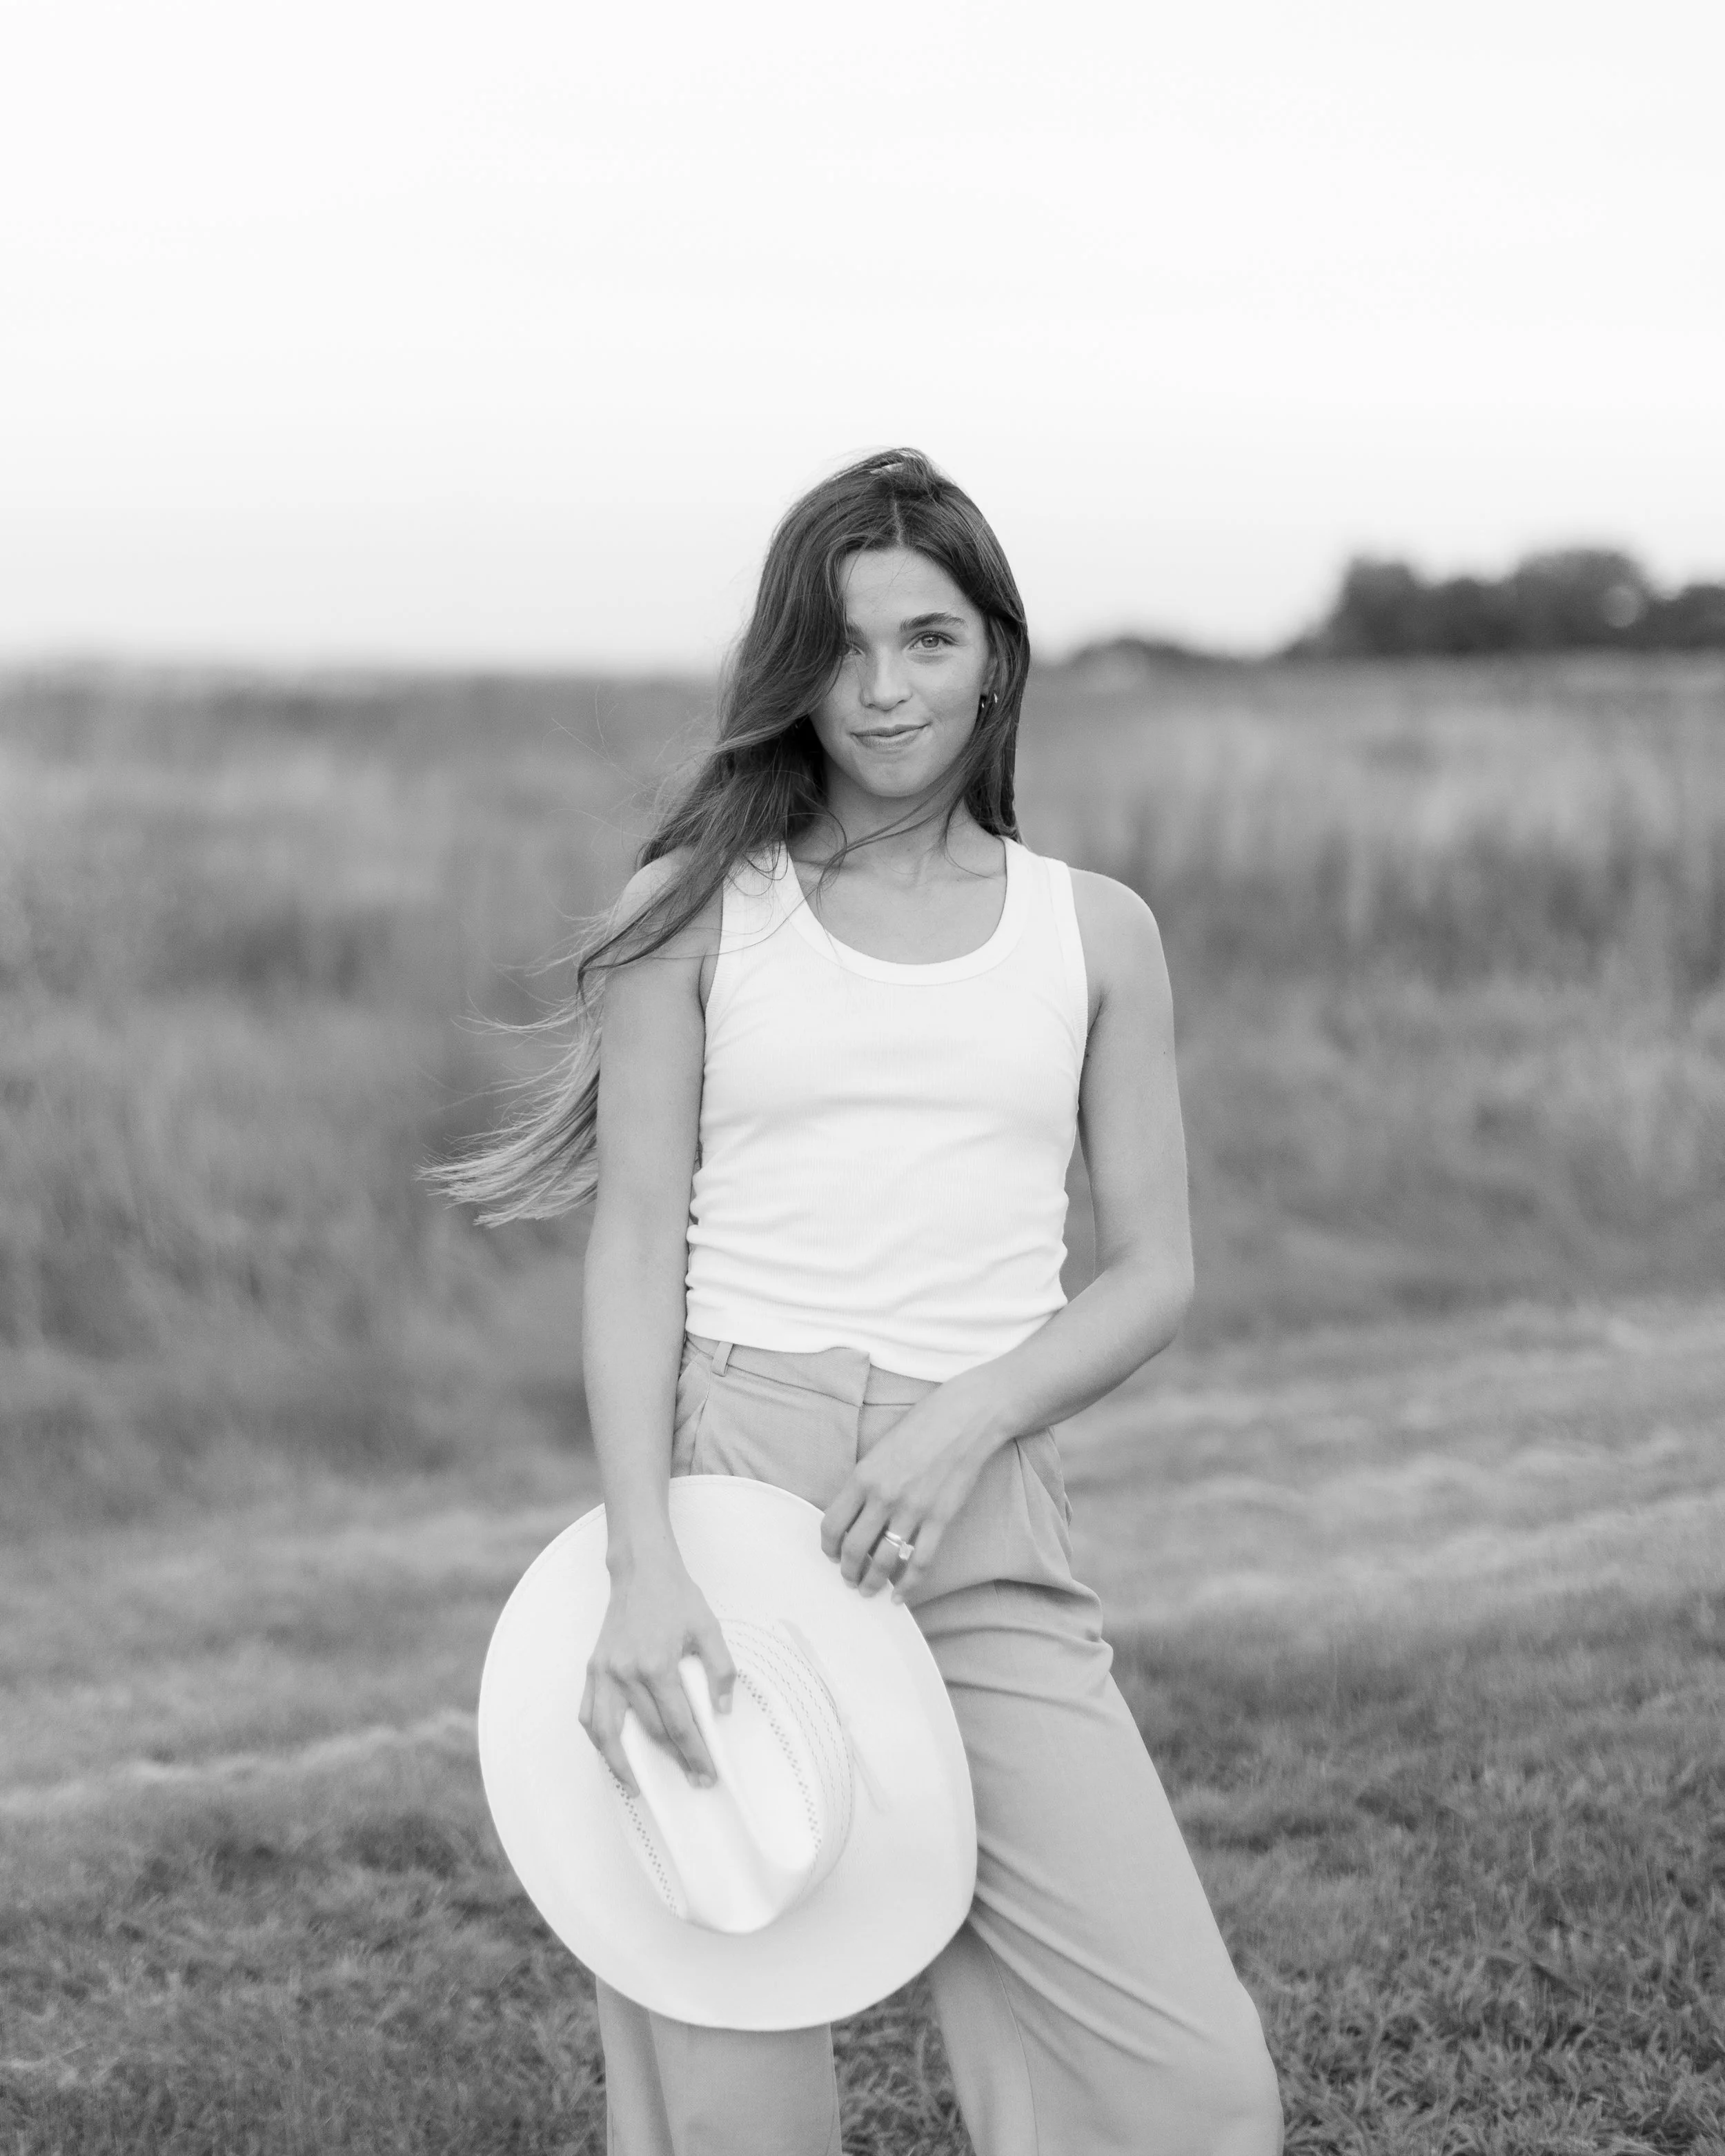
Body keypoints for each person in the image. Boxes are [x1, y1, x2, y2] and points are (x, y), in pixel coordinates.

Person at [442, 449, 1283, 2155]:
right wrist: (643, 1559)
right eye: (838, 649)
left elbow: (1153, 1270)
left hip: (976, 1500)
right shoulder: (689, 920)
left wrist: (967, 1414)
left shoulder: (1094, 932)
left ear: (996, 654)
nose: (883, 690)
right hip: (735, 1483)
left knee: (1187, 2088)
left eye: (927, 638)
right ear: (786, 668)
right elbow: (635, 1245)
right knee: (732, 2067)